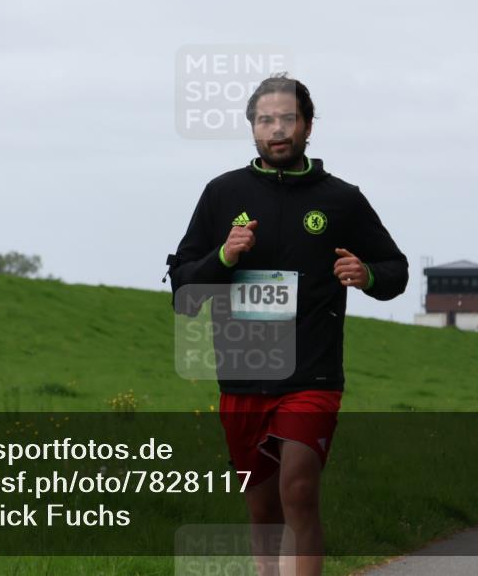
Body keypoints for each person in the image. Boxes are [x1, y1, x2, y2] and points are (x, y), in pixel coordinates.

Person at [167, 74, 409, 575]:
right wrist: (224, 255)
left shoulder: (342, 199)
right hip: (241, 376)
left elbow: (396, 270)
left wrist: (366, 274)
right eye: (265, 120)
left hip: (310, 376)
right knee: (262, 509)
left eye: (288, 119)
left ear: (308, 126)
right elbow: (186, 293)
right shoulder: (221, 193)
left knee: (298, 489)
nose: (277, 129)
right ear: (252, 128)